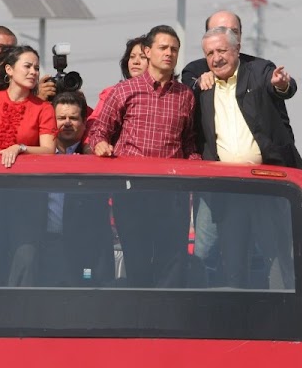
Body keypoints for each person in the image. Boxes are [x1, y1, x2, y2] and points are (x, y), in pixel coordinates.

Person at [192, 23, 302, 289]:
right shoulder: (204, 87)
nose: (216, 58)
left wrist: (281, 84)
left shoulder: (258, 71)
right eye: (210, 54)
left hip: (268, 183)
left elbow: (280, 86)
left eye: (222, 50)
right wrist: (198, 81)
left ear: (237, 49)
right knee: (233, 261)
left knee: (277, 257)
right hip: (229, 189)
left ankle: (283, 316)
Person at [88, 25, 199, 288]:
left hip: (172, 195)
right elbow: (98, 131)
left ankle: (167, 325)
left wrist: (196, 174)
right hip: (131, 192)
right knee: (137, 262)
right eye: (163, 48)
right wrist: (101, 145)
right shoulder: (124, 91)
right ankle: (139, 323)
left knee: (171, 265)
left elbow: (190, 142)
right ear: (147, 52)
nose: (169, 53)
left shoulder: (185, 95)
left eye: (174, 49)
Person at [0, 45, 57, 286]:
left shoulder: (44, 108)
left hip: (27, 195)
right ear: (9, 70)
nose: (33, 72)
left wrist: (20, 148)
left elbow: (49, 149)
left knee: (26, 258)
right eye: (27, 66)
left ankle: (20, 315)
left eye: (36, 68)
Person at [38, 91, 114, 286]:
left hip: (88, 248)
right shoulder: (38, 154)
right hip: (48, 245)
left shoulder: (98, 155)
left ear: (84, 121)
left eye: (73, 118)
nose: (67, 123)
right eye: (61, 118)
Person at [82, 35, 148, 150]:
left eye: (142, 57)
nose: (135, 62)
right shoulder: (113, 92)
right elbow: (93, 127)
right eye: (132, 57)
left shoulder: (170, 95)